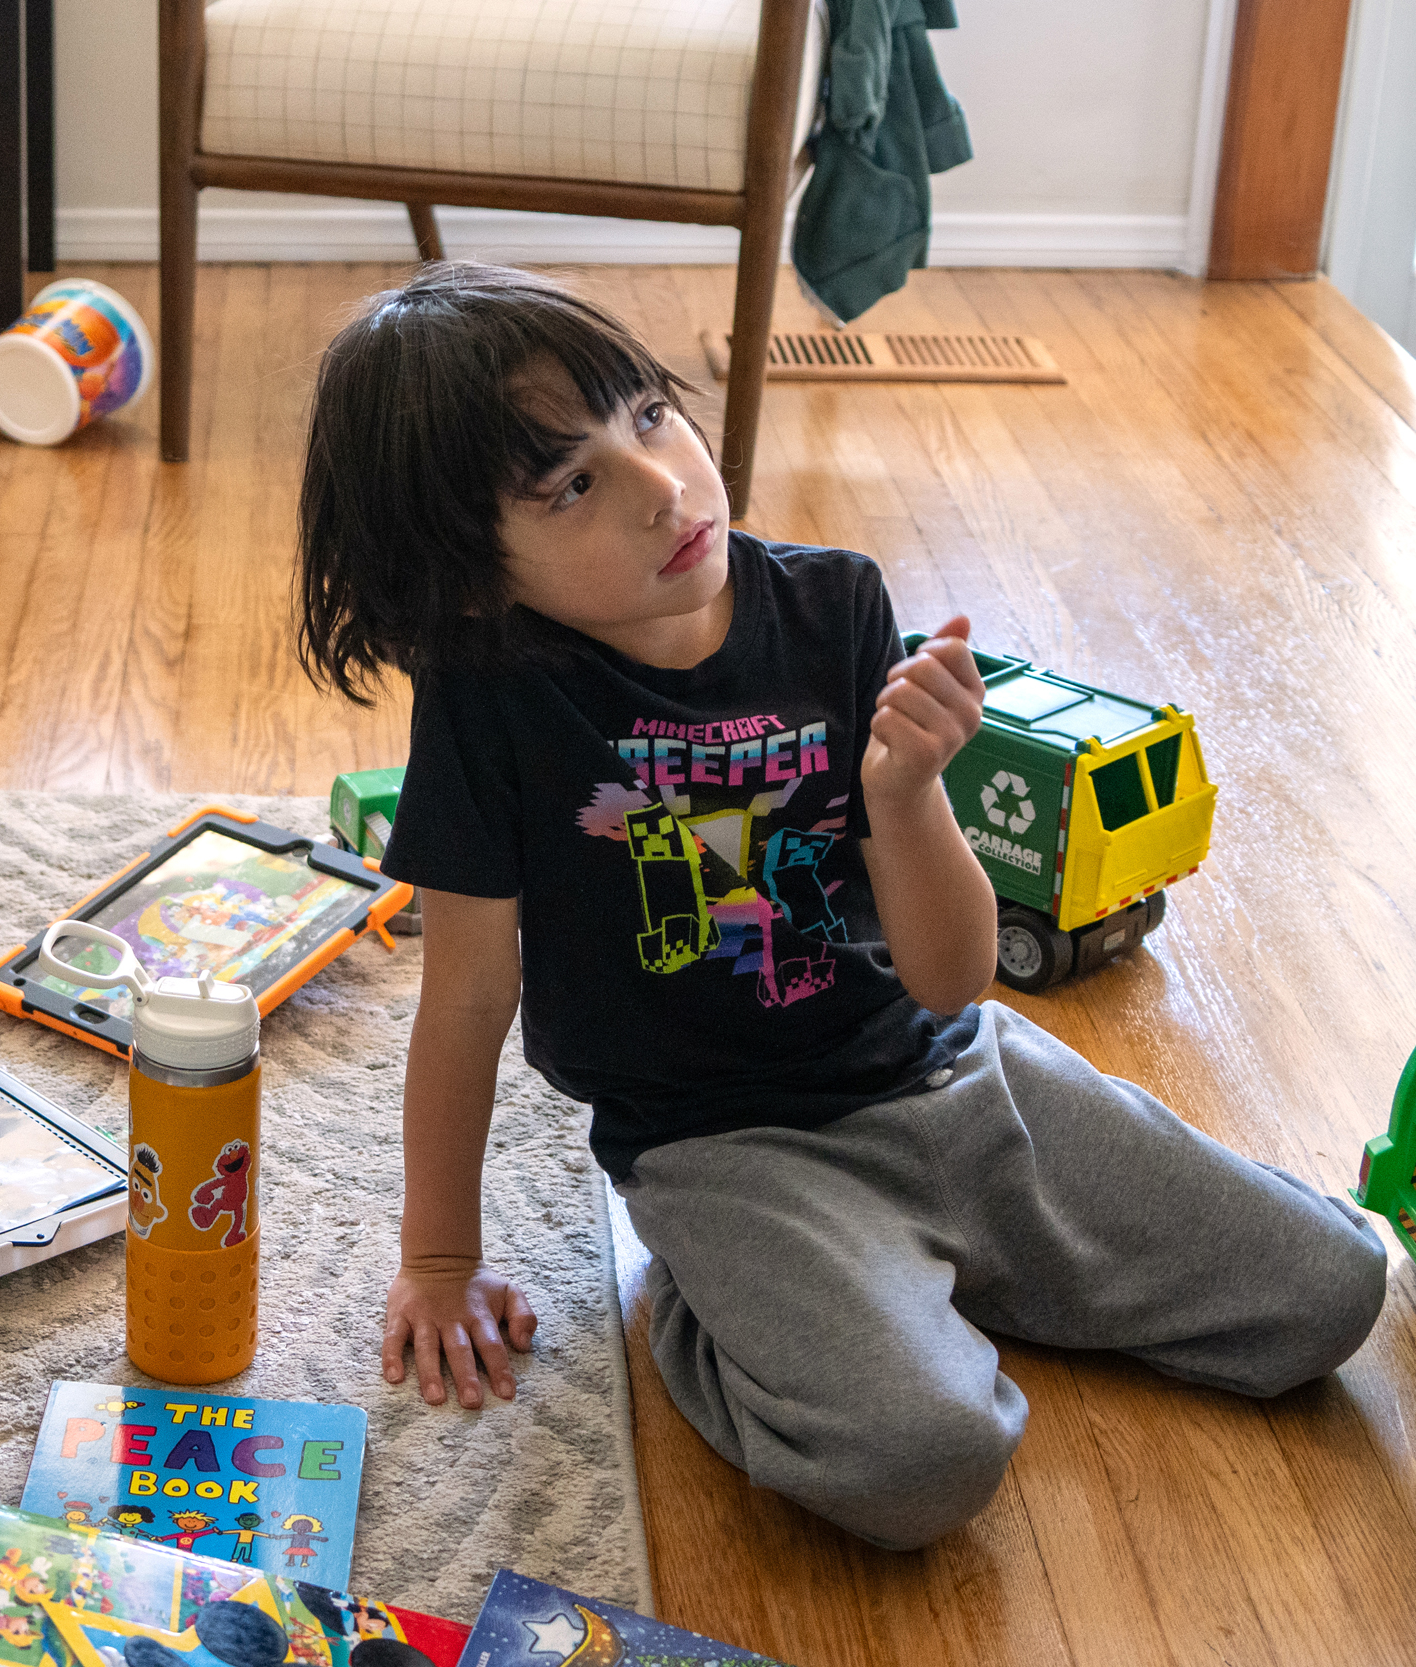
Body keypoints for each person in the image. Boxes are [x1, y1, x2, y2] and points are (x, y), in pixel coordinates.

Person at [291, 263, 1386, 1549]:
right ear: (473, 577)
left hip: (953, 1073)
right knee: (919, 1462)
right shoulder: (490, 697)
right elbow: (468, 997)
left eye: (648, 415)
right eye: (572, 484)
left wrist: (907, 793)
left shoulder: (835, 605)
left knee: (1335, 1289)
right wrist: (437, 1259)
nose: (660, 486)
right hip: (725, 1149)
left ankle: (916, 1278)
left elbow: (951, 978)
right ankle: (729, 1302)